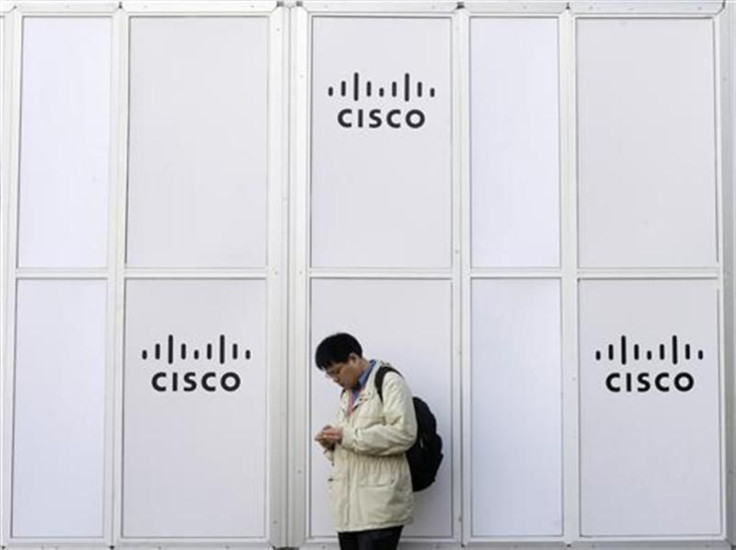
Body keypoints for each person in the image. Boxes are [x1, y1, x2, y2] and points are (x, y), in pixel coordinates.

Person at [314, 333, 417, 550]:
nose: (334, 379)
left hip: (378, 508)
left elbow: (404, 434)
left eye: (336, 371)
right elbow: (351, 442)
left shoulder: (389, 382)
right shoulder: (347, 393)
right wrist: (331, 445)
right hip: (348, 509)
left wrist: (346, 436)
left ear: (353, 358)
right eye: (329, 375)